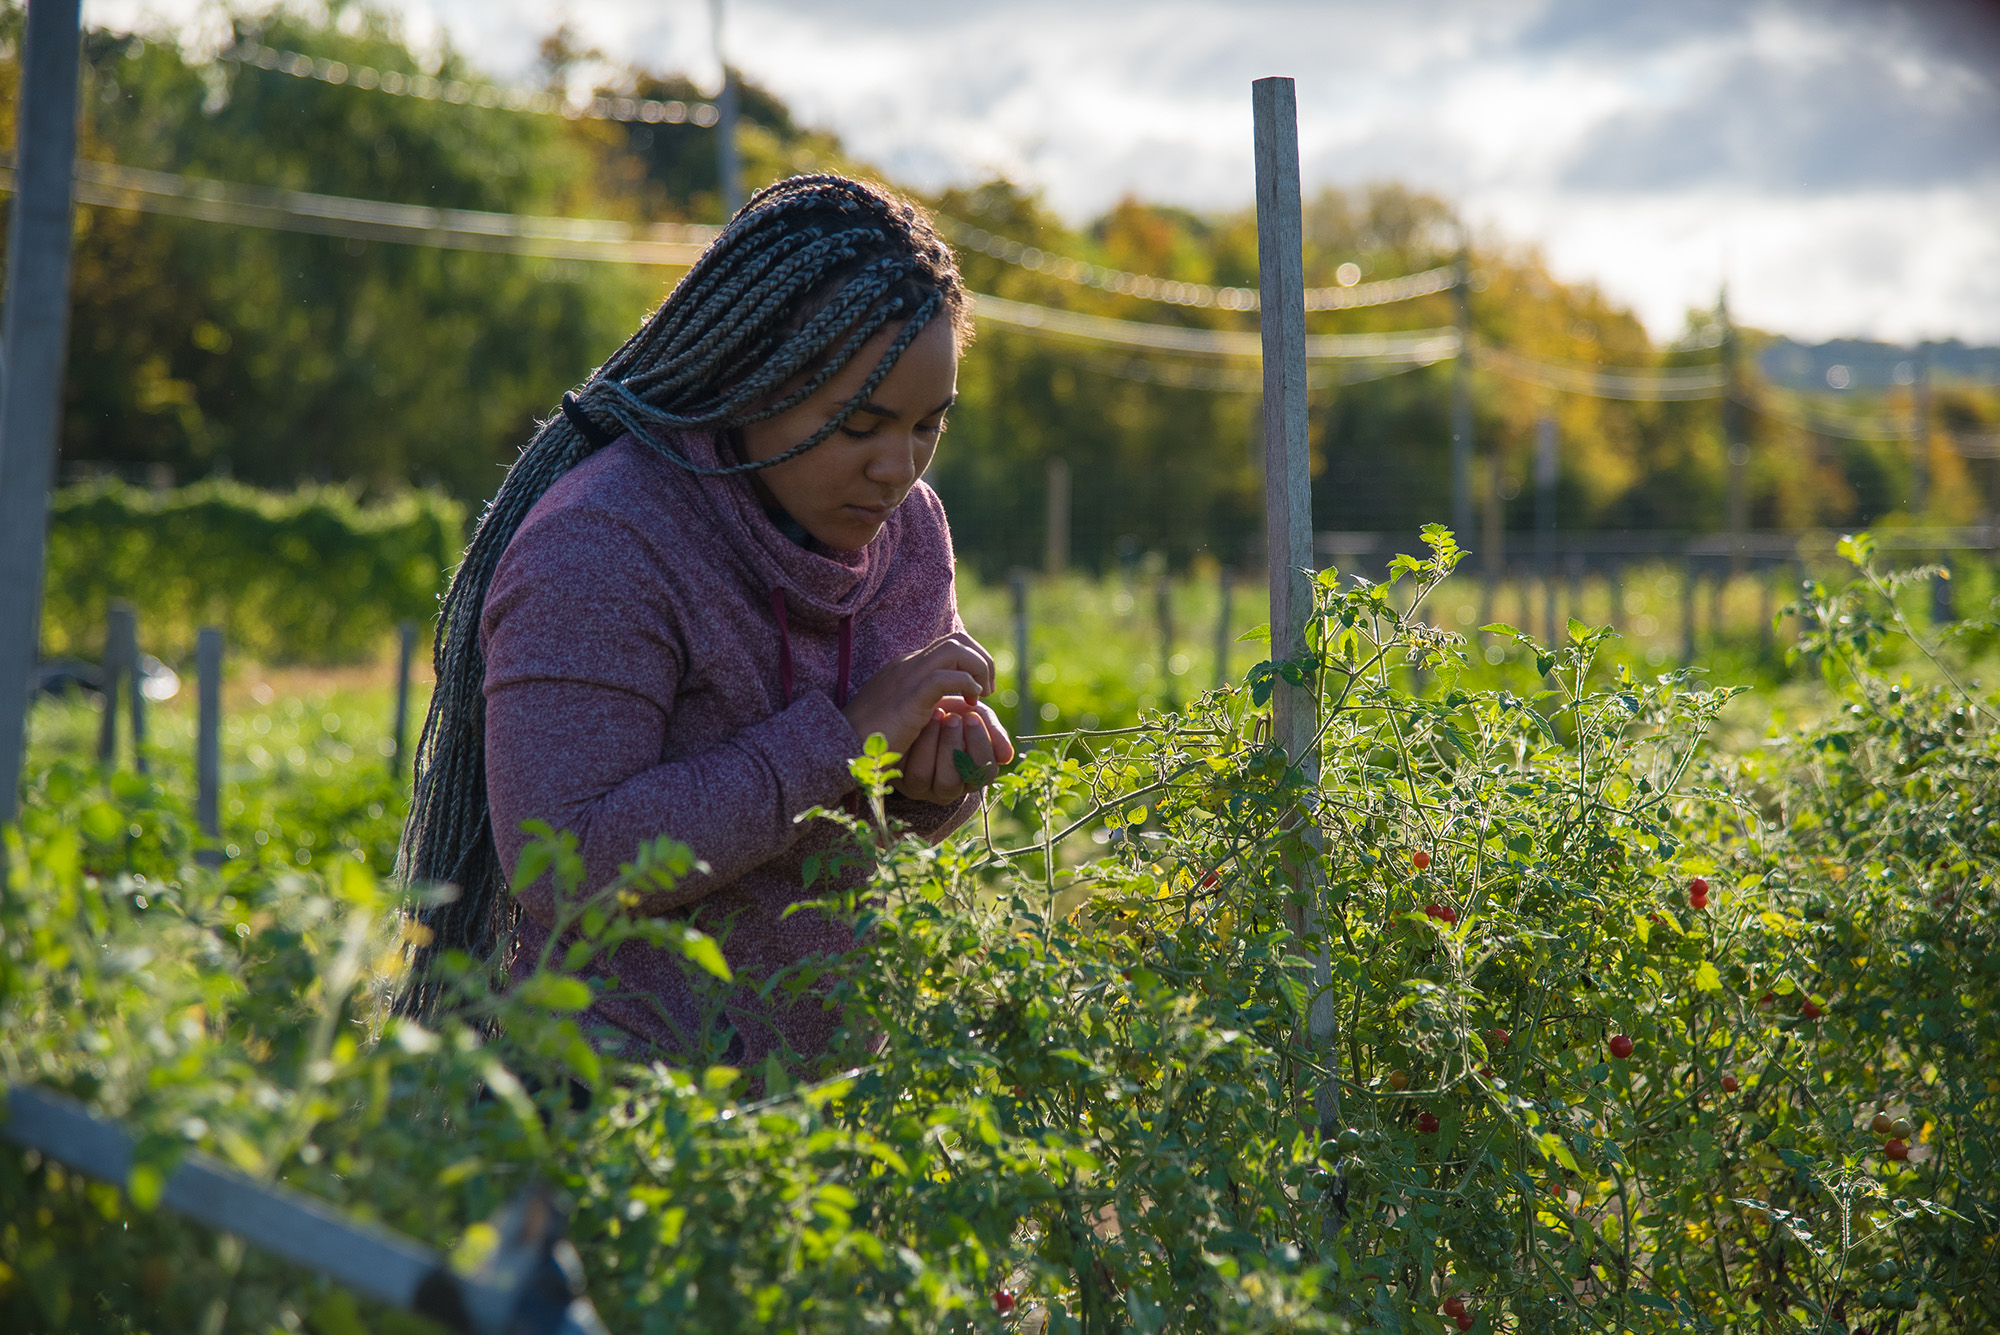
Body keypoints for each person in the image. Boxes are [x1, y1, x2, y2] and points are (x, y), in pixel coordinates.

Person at [398, 174, 1014, 1071]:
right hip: (613, 1102)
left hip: (829, 1097)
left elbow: (862, 825)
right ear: (750, 380)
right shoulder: (604, 542)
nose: (898, 466)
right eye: (860, 424)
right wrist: (846, 740)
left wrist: (932, 784)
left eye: (929, 425)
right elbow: (561, 865)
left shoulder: (909, 530)